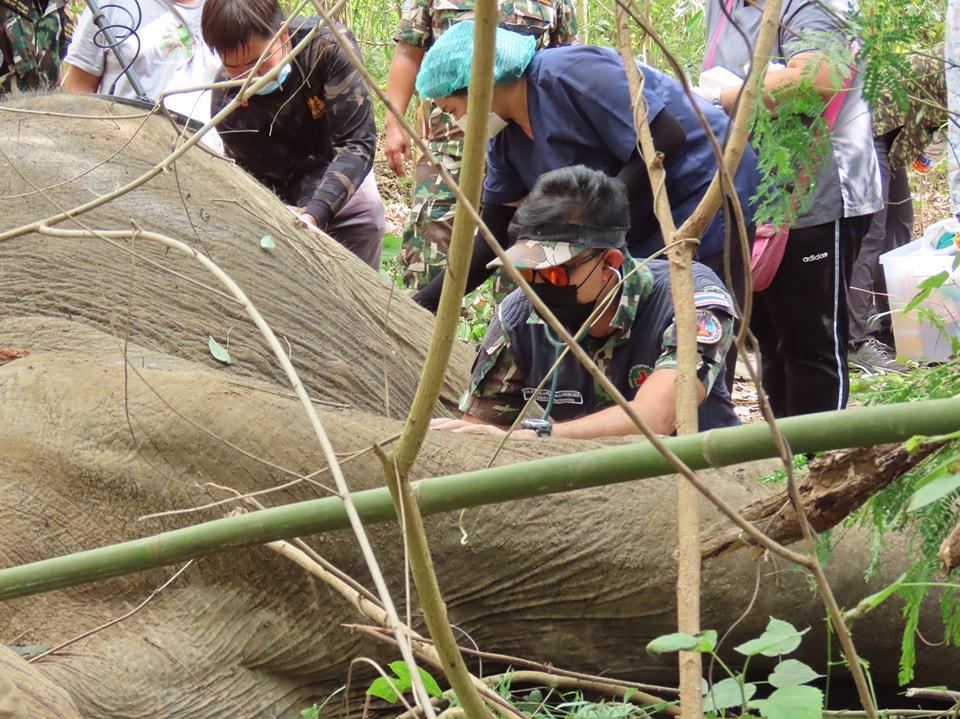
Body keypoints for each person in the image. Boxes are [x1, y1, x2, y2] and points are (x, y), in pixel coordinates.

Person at [411, 21, 760, 323]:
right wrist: (426, 303)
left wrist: (591, 224)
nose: (458, 123)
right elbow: (495, 234)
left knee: (695, 323)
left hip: (702, 189)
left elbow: (665, 135)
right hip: (638, 221)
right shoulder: (504, 139)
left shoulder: (569, 74)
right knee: (643, 333)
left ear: (480, 86)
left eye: (453, 109)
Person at [432, 166, 740, 440]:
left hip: (704, 483)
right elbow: (480, 431)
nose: (536, 287)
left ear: (610, 262)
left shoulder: (689, 299)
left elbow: (656, 417)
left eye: (554, 273)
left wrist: (541, 436)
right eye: (524, 271)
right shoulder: (517, 318)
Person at [694, 0, 883, 417]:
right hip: (757, 198)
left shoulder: (809, 5)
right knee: (770, 343)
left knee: (810, 347)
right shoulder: (721, 6)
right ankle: (785, 465)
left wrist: (721, 96)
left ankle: (818, 468)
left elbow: (819, 78)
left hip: (819, 197)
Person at [384, 0, 577, 290]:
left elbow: (564, 56)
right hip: (449, 142)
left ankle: (508, 329)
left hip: (522, 142)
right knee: (429, 242)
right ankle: (419, 323)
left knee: (522, 242)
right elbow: (409, 51)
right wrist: (393, 122)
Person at [200, 0, 384, 270]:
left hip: (339, 164)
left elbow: (357, 143)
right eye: (234, 69)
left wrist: (315, 213)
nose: (249, 79)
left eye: (257, 64)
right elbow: (262, 178)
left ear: (283, 36)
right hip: (284, 192)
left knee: (366, 215)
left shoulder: (326, 47)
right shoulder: (227, 103)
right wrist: (292, 216)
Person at [849, 49, 946, 374]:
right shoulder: (953, 61)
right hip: (869, 126)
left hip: (894, 129)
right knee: (871, 233)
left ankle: (892, 327)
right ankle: (855, 341)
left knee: (898, 227)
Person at [62, 0, 222, 148]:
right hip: (127, 158)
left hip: (209, 162)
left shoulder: (227, 7)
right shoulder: (108, 4)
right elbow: (79, 88)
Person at [0, 0, 72, 95]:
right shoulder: (5, 6)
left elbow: (59, 63)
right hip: (6, 104)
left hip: (45, 105)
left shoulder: (60, 9)